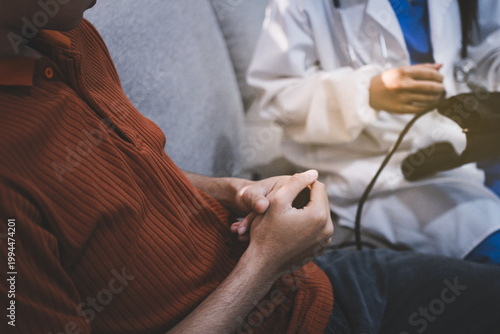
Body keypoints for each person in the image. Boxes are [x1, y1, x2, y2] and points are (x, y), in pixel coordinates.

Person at [1, 1, 500, 333]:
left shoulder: (68, 37)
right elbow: (279, 100)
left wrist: (228, 188)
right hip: (277, 285)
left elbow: (129, 170)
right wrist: (266, 261)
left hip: (312, 284)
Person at [247, 0, 500, 262]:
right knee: (492, 245)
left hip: (469, 139)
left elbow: (488, 47)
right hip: (378, 165)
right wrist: (367, 93)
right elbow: (277, 94)